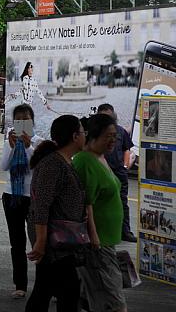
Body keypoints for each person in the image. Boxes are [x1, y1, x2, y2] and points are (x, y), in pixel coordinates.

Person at [26, 115, 87, 312]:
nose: (85, 135)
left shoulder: (65, 161)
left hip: (62, 242)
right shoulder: (53, 164)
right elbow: (41, 205)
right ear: (75, 136)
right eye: (82, 131)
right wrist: (41, 241)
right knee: (65, 292)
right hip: (55, 244)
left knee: (47, 291)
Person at [73, 114, 127, 312]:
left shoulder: (100, 157)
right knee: (114, 301)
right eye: (108, 136)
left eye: (115, 136)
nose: (113, 140)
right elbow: (85, 204)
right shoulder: (85, 162)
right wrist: (93, 236)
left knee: (93, 297)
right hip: (97, 243)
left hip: (106, 241)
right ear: (93, 136)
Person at [0, 104, 44, 299]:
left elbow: (39, 168)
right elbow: (3, 166)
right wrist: (11, 147)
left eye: (26, 119)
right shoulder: (9, 141)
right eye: (18, 120)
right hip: (12, 196)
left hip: (33, 198)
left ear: (32, 121)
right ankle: (20, 285)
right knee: (16, 243)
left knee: (39, 242)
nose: (22, 123)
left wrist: (28, 147)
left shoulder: (39, 143)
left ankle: (44, 285)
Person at [97, 103, 136, 242]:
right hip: (101, 172)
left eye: (110, 116)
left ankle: (125, 232)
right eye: (104, 116)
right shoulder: (95, 133)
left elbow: (127, 149)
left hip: (119, 172)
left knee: (122, 202)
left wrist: (125, 166)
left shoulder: (120, 131)